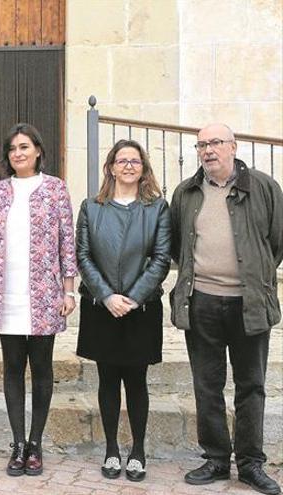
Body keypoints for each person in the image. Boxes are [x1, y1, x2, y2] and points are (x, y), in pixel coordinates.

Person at [170, 123, 282, 495]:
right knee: (207, 384)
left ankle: (250, 464)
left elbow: (277, 243)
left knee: (251, 385)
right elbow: (176, 245)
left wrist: (255, 278)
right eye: (201, 144)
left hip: (249, 303)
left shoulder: (263, 187)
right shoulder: (186, 192)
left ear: (233, 146)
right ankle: (216, 458)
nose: (208, 150)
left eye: (215, 142)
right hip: (201, 300)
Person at [0, 123, 77, 477]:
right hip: (7, 292)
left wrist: (68, 289)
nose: (18, 153)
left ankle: (36, 442)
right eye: (12, 149)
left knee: (42, 367)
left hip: (44, 291)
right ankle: (17, 442)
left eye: (24, 147)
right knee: (12, 367)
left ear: (37, 151)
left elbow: (68, 240)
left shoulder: (55, 189)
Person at [75, 139, 171, 482]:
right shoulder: (91, 207)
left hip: (141, 308)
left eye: (135, 161)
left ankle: (138, 450)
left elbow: (161, 258)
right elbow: (83, 256)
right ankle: (112, 449)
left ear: (143, 168)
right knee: (107, 379)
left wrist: (131, 297)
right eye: (121, 160)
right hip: (102, 306)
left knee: (136, 381)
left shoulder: (157, 208)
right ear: (111, 167)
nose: (128, 166)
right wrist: (107, 296)